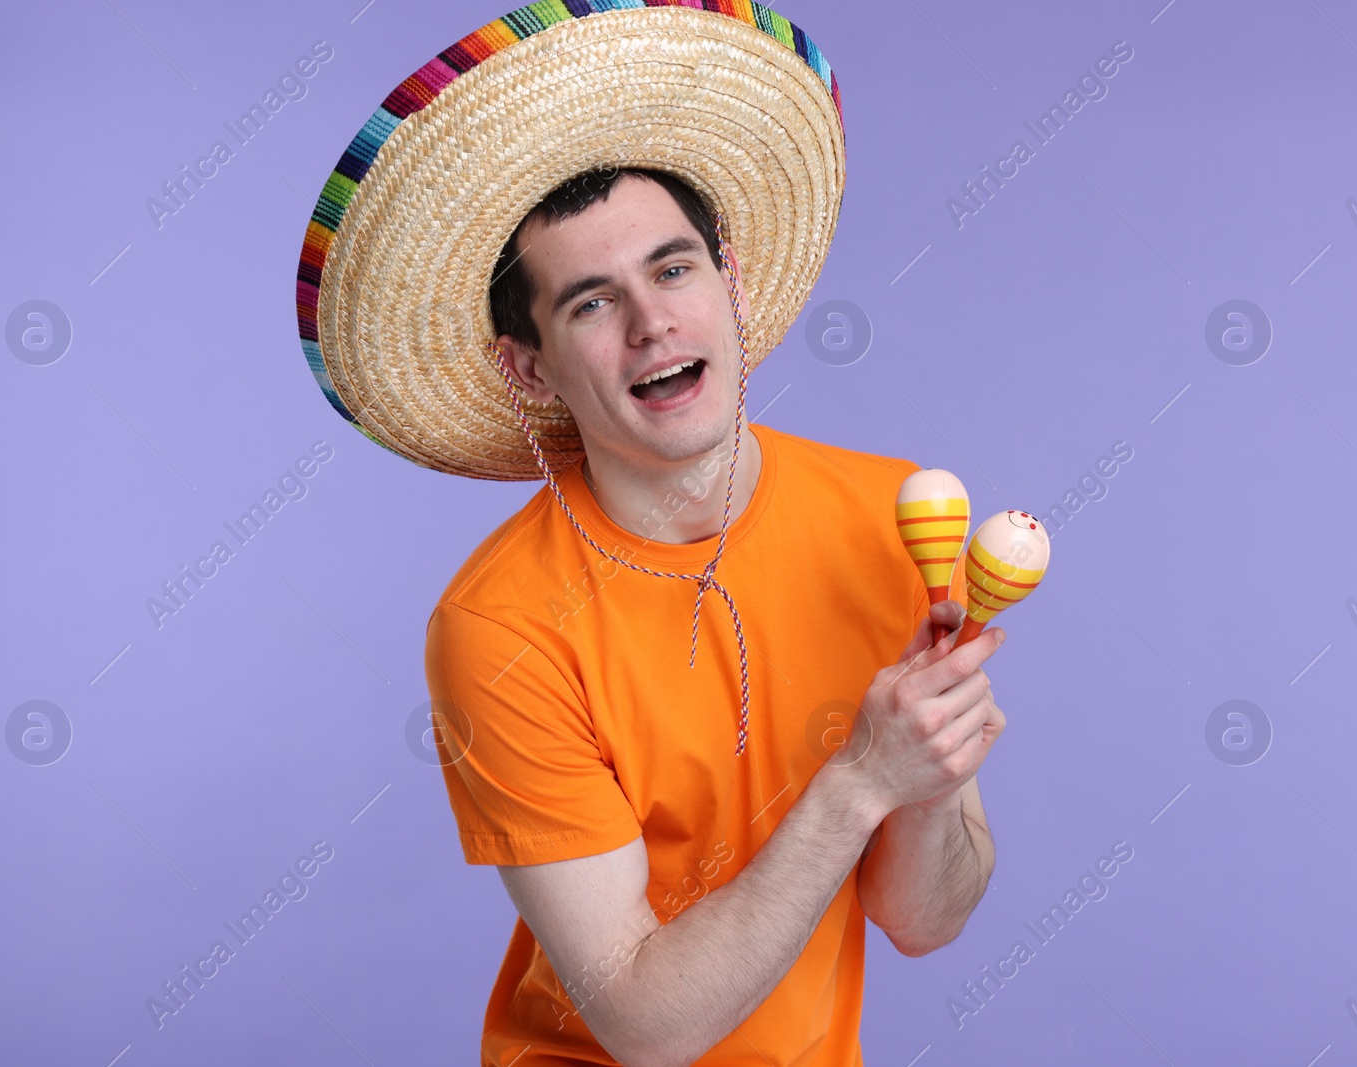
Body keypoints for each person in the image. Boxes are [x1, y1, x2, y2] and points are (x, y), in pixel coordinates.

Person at [293, 5, 1005, 1064]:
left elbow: (922, 919)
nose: (651, 323)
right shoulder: (500, 627)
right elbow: (643, 1019)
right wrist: (858, 778)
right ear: (528, 367)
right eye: (590, 302)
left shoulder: (893, 517)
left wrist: (929, 766)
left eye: (673, 270)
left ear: (731, 282)